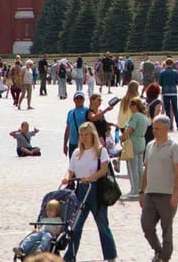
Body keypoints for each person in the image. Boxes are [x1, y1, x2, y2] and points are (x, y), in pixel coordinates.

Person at [62, 121, 117, 262]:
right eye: (81, 135)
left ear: (93, 135)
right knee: (76, 225)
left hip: (96, 190)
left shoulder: (100, 151)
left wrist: (90, 178)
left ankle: (110, 256)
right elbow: (70, 170)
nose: (84, 137)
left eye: (86, 134)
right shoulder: (76, 153)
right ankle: (69, 256)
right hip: (81, 190)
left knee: (102, 225)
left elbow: (103, 170)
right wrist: (66, 178)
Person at [140, 115, 178, 262]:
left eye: (157, 128)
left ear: (166, 129)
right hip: (150, 193)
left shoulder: (174, 147)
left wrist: (175, 194)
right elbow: (146, 170)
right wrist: (141, 191)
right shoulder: (150, 146)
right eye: (153, 128)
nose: (154, 131)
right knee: (146, 226)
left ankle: (165, 257)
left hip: (167, 194)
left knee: (166, 228)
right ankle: (158, 250)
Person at [120, 97, 150, 196]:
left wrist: (122, 138)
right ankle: (141, 188)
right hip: (142, 141)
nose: (130, 108)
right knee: (139, 168)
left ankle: (134, 190)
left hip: (133, 142)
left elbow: (129, 130)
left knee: (132, 168)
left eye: (131, 106)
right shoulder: (144, 116)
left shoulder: (135, 116)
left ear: (135, 106)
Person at [63, 92, 90, 157]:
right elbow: (68, 128)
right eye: (77, 98)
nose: (79, 100)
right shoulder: (70, 112)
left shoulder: (87, 111)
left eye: (81, 98)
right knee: (72, 162)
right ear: (74, 100)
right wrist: (65, 144)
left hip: (84, 142)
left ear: (84, 100)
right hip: (72, 143)